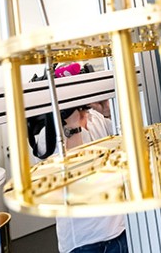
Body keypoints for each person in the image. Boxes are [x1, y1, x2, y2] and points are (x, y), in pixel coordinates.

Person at [55, 104, 128, 253]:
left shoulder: (96, 118)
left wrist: (108, 110)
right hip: (83, 241)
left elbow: (125, 138)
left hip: (117, 230)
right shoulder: (51, 134)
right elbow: (78, 182)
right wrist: (73, 126)